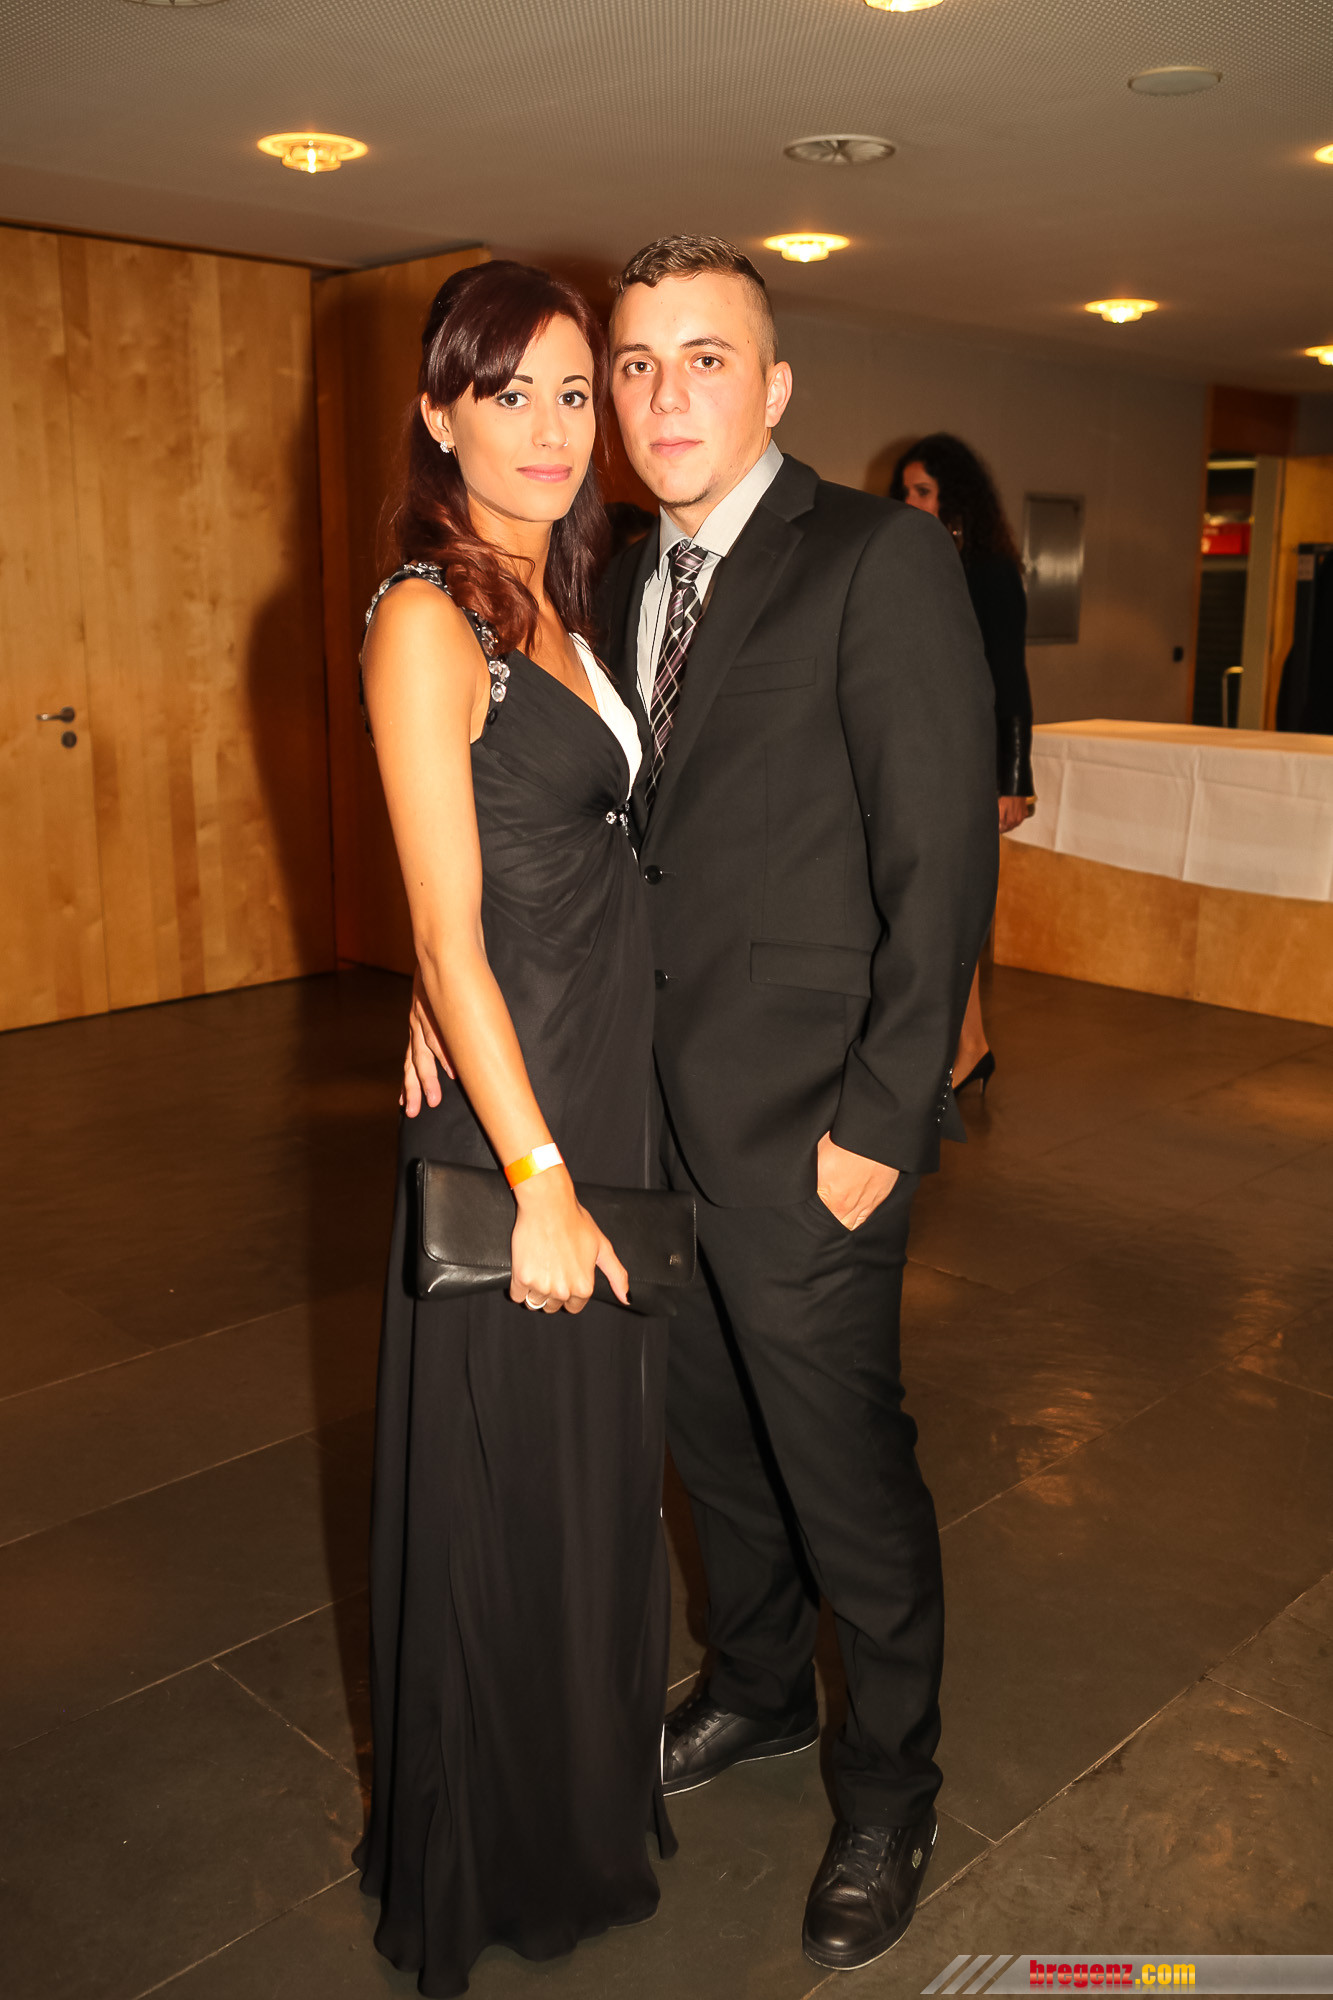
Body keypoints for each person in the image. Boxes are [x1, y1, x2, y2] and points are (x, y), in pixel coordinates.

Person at [406, 233, 997, 1972]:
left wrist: (880, 1125)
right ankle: (756, 1687)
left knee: (842, 1474)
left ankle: (889, 1789)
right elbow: (553, 834)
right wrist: (438, 992)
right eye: (635, 366)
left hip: (812, 1129)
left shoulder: (876, 559)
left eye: (705, 360)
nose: (662, 398)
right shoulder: (600, 577)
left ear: (776, 384)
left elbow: (939, 863)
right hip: (636, 1118)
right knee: (715, 1448)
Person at [356, 259, 674, 2000]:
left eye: (573, 393)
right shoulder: (427, 617)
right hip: (516, 1122)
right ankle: (489, 1852)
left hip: (590, 1072)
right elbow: (443, 934)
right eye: (509, 394)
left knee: (585, 1475)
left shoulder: (562, 594)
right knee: (502, 1485)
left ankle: (575, 1809)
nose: (551, 430)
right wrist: (536, 1180)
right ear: (439, 414)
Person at [891, 433, 1035, 1094]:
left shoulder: (989, 572)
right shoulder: (910, 562)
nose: (910, 503)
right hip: (916, 750)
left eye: (922, 491)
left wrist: (1013, 779)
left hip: (968, 761)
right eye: (904, 492)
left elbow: (1009, 678)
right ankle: (968, 1044)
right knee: (934, 910)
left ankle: (968, 1046)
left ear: (956, 499)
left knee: (950, 909)